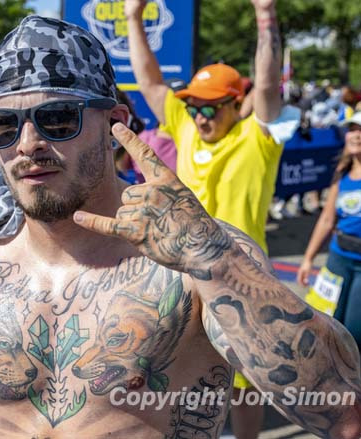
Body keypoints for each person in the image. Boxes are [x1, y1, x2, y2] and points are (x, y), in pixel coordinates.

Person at [0, 15, 361, 439]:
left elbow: (342, 416)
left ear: (116, 124)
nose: (27, 143)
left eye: (57, 118)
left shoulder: (192, 267)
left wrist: (212, 258)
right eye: (3, 125)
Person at [125, 1, 300, 436]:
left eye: (210, 107)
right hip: (183, 278)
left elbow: (267, 83)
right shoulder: (186, 127)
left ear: (235, 104)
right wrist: (132, 18)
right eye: (194, 107)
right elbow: (150, 82)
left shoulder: (257, 137)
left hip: (243, 280)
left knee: (243, 384)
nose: (199, 117)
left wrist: (265, 15)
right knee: (177, 374)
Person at [297, 111, 361, 410]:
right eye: (352, 129)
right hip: (339, 260)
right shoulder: (342, 173)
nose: (356, 135)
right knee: (328, 326)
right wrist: (308, 259)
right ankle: (337, 386)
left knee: (356, 333)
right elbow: (327, 219)